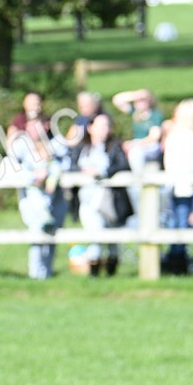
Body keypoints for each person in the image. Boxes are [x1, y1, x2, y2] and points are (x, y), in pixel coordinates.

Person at [70, 113, 133, 276]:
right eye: (100, 126)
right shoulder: (81, 148)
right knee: (95, 234)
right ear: (90, 128)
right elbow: (70, 166)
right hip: (87, 201)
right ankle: (94, 275)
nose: (104, 130)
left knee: (112, 239)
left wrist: (103, 172)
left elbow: (124, 166)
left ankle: (111, 274)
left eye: (107, 126)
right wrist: (83, 171)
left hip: (109, 201)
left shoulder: (114, 146)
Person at [12, 120, 69, 279]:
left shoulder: (55, 145)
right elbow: (13, 168)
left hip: (54, 201)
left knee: (51, 236)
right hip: (31, 201)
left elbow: (63, 165)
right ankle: (35, 274)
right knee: (37, 235)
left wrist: (50, 177)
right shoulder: (21, 147)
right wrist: (33, 177)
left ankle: (47, 273)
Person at [160, 98, 193, 275]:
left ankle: (175, 262)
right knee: (180, 225)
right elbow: (191, 165)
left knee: (176, 224)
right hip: (184, 187)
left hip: (173, 185)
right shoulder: (187, 136)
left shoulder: (173, 134)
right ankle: (177, 265)